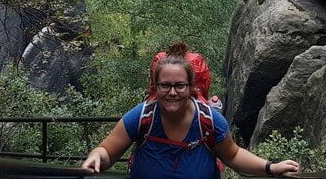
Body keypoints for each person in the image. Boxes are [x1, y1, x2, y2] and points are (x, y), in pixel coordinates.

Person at [81, 42, 300, 178]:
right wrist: (96, 156)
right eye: (165, 85)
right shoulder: (142, 116)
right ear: (156, 87)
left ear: (192, 87)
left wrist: (271, 167)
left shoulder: (210, 121)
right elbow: (108, 151)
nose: (172, 92)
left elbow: (232, 155)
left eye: (180, 85)